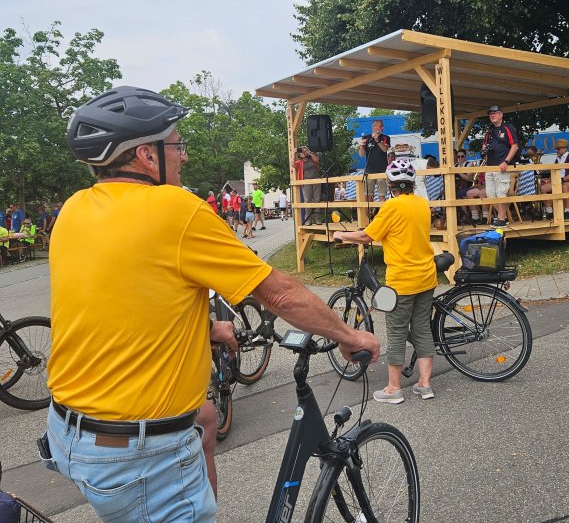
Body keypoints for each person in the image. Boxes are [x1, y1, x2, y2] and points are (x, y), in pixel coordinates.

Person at [44, 86, 380, 523]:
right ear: (146, 156)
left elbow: (119, 299)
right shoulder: (176, 209)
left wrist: (206, 329)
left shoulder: (74, 209)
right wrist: (349, 335)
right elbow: (277, 293)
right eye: (177, 145)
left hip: (68, 431)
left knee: (205, 418)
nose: (184, 156)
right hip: (137, 456)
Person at [334, 160, 437, 404]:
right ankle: (425, 385)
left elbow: (366, 236)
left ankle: (393, 389)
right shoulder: (423, 203)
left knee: (397, 332)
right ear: (411, 183)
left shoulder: (391, 206)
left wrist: (341, 234)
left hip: (402, 281)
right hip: (426, 277)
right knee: (422, 329)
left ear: (390, 184)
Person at [481, 106, 519, 227]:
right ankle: (503, 217)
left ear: (501, 115)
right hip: (490, 166)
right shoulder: (490, 130)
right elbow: (485, 146)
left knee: (501, 193)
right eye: (491, 114)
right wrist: (484, 149)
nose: (492, 115)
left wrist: (506, 161)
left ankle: (501, 219)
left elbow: (515, 146)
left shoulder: (508, 127)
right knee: (490, 195)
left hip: (502, 166)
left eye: (495, 113)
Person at [540, 138, 569, 220]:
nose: (556, 150)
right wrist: (548, 180)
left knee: (564, 187)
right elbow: (554, 173)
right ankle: (549, 211)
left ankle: (567, 211)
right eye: (556, 148)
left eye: (558, 148)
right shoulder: (557, 159)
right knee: (543, 188)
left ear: (565, 148)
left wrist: (562, 180)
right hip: (558, 181)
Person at [359, 119, 390, 202]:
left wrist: (377, 140)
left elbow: (385, 149)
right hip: (369, 171)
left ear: (382, 127)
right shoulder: (366, 138)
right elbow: (361, 155)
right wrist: (361, 147)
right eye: (374, 126)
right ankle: (369, 211)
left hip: (382, 170)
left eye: (377, 126)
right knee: (368, 197)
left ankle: (383, 210)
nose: (375, 128)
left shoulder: (385, 137)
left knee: (382, 196)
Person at [291, 145, 321, 225]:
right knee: (307, 200)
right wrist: (293, 152)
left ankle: (317, 219)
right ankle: (308, 219)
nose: (303, 152)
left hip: (316, 180)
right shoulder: (300, 162)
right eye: (301, 151)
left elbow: (317, 160)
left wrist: (309, 152)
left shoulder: (312, 158)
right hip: (306, 182)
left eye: (304, 151)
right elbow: (292, 164)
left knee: (317, 200)